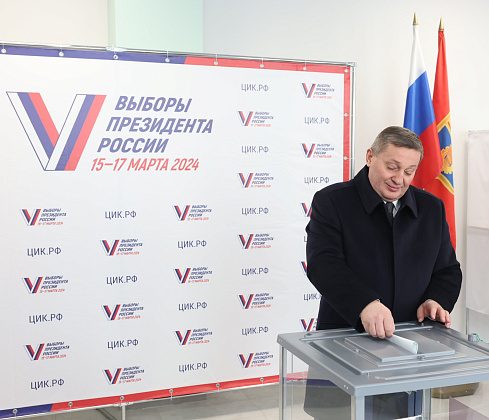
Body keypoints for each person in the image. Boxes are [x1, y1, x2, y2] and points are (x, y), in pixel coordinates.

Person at [304, 126, 462, 419]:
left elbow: (448, 270)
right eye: (392, 167)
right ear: (370, 157)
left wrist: (436, 299)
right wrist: (364, 304)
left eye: (409, 171)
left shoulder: (431, 208)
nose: (399, 179)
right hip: (344, 342)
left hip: (407, 349)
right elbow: (323, 264)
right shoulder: (332, 201)